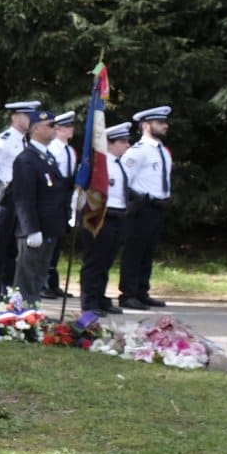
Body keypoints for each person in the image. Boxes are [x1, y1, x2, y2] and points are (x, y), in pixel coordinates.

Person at [10, 108, 70, 307]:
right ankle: (21, 314)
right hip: (36, 228)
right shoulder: (26, 159)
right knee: (27, 277)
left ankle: (33, 313)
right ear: (35, 129)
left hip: (49, 227)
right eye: (51, 125)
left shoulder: (46, 157)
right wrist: (31, 229)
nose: (55, 129)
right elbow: (24, 198)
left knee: (39, 275)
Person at [0, 100, 36, 301]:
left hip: (21, 198)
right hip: (4, 196)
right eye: (27, 116)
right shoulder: (2, 141)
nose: (30, 120)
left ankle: (7, 288)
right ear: (15, 117)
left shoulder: (27, 142)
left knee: (12, 247)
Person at [118, 106, 173, 310]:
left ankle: (142, 291)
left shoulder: (163, 151)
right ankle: (128, 294)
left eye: (165, 122)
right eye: (160, 123)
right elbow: (124, 179)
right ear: (146, 125)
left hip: (158, 207)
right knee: (134, 252)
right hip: (142, 207)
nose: (165, 126)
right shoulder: (138, 152)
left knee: (147, 252)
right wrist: (134, 201)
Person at [77, 123, 133, 315]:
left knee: (107, 260)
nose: (127, 145)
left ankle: (100, 297)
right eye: (122, 141)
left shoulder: (118, 163)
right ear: (109, 143)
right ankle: (89, 301)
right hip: (100, 215)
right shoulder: (98, 164)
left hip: (118, 215)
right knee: (95, 260)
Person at [41, 110, 78, 299]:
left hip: (65, 198)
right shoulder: (52, 149)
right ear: (57, 129)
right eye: (66, 126)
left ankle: (53, 281)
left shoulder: (70, 150)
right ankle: (43, 282)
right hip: (54, 196)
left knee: (58, 242)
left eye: (71, 126)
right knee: (49, 241)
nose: (71, 129)